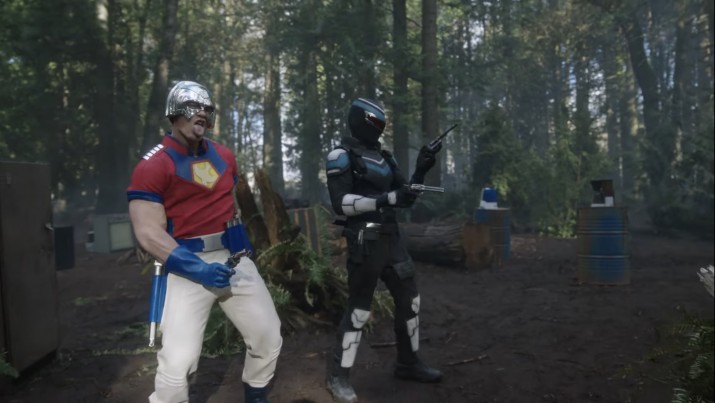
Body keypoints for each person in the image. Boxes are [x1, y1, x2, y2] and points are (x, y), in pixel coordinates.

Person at [127, 81, 282, 403]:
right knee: (178, 360)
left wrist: (242, 248)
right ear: (174, 112)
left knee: (268, 335)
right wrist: (196, 268)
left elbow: (228, 204)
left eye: (207, 109)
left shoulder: (224, 155)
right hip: (186, 265)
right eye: (193, 107)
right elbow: (148, 233)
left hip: (233, 259)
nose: (202, 114)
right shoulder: (153, 165)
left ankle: (256, 396)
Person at [324, 98, 443, 403]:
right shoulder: (340, 156)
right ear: (362, 121)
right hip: (365, 241)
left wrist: (421, 170)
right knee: (359, 310)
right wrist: (385, 199)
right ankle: (338, 376)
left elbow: (407, 196)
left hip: (392, 239)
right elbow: (340, 203)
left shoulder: (385, 158)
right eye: (375, 123)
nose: (380, 128)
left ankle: (408, 362)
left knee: (410, 300)